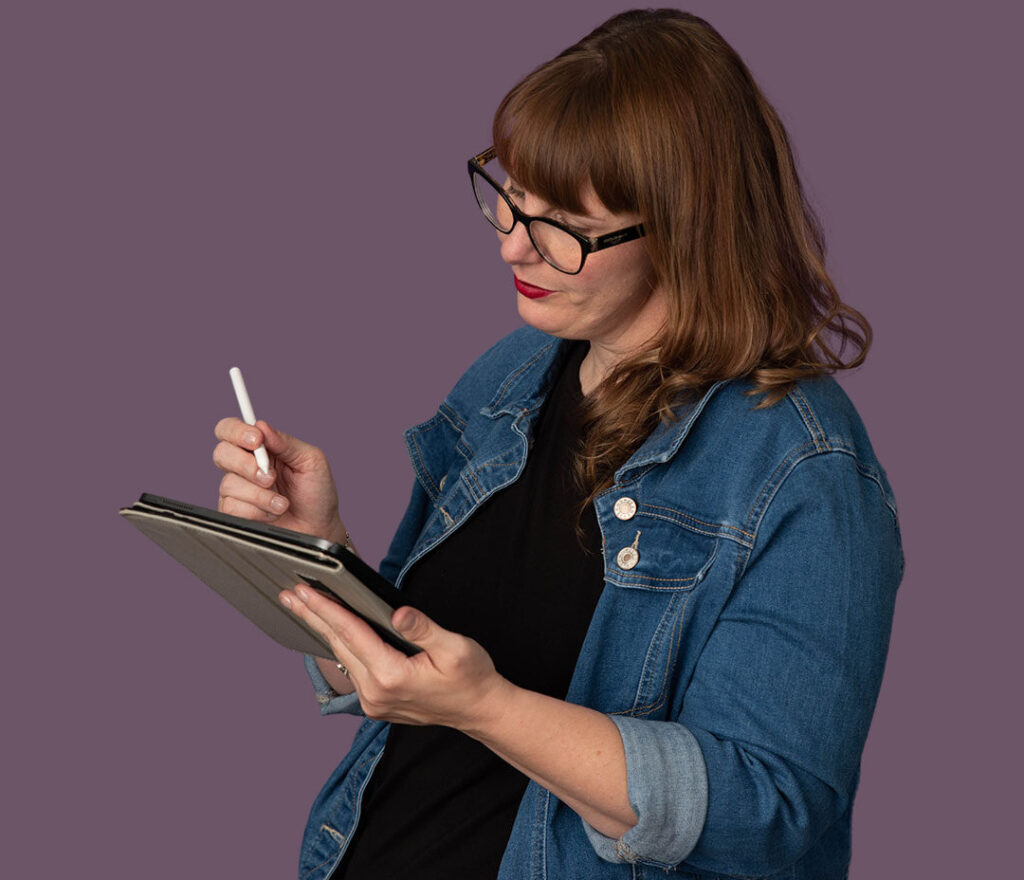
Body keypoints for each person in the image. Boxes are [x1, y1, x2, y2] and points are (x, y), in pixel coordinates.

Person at [212, 9, 902, 879]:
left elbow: (767, 812)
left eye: (563, 228)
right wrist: (322, 547)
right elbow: (405, 675)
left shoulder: (803, 468)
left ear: (686, 227)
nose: (511, 242)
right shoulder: (514, 373)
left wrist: (489, 709)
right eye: (511, 197)